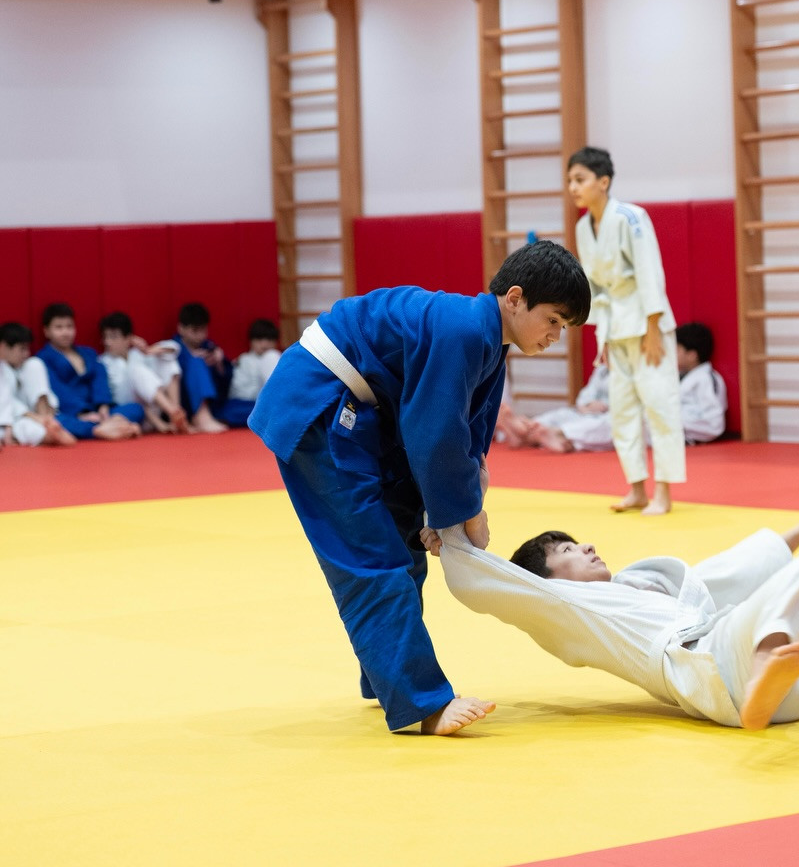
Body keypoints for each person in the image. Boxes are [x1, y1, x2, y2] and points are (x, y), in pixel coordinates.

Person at [249, 239, 591, 737]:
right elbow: (435, 436)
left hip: (365, 412)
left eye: (565, 328)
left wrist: (442, 516)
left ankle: (383, 676)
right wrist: (464, 514)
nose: (557, 336)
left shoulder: (487, 340)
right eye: (554, 320)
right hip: (320, 405)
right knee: (373, 556)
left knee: (406, 542)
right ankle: (423, 704)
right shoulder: (464, 330)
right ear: (515, 298)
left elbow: (467, 435)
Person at [426, 489, 799, 730]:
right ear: (547, 580)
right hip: (714, 668)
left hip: (776, 694)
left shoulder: (655, 585)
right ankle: (765, 665)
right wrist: (446, 531)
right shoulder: (569, 608)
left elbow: (741, 566)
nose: (586, 547)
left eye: (578, 542)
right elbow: (492, 583)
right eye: (567, 550)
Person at [566, 146, 684, 516]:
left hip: (647, 324)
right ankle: (637, 489)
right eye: (570, 180)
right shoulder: (583, 227)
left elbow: (650, 271)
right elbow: (592, 284)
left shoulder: (631, 217)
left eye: (580, 179)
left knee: (660, 406)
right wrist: (587, 322)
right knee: (623, 412)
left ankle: (663, 491)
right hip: (615, 326)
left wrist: (653, 327)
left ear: (603, 182)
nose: (573, 187)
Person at [525, 322, 727, 453]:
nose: (670, 353)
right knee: (573, 414)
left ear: (692, 355)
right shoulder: (674, 376)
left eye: (676, 349)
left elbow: (714, 424)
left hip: (671, 430)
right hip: (651, 422)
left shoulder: (706, 379)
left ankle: (563, 435)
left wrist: (668, 420)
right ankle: (532, 429)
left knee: (617, 425)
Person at [35, 303, 142, 441]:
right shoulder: (42, 359)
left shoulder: (88, 353)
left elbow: (100, 379)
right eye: (59, 327)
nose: (65, 332)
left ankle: (108, 426)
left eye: (69, 326)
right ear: (46, 331)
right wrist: (82, 413)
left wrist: (103, 406)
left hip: (98, 411)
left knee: (135, 408)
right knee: (57, 421)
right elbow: (58, 389)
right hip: (72, 413)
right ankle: (105, 429)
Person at [98, 311, 190, 434]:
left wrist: (148, 351)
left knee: (168, 361)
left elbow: (174, 348)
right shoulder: (102, 361)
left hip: (154, 407)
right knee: (135, 370)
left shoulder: (137, 354)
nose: (108, 342)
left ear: (128, 338)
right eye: (105, 337)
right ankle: (172, 412)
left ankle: (175, 413)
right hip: (132, 412)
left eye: (113, 337)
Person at [0, 322, 76, 447]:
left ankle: (48, 421)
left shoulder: (27, 366)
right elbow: (6, 402)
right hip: (13, 420)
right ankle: (48, 431)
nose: (26, 354)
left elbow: (45, 393)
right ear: (5, 348)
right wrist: (36, 418)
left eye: (27, 349)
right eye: (22, 349)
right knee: (29, 429)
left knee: (34, 363)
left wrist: (46, 416)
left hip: (42, 415)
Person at [173, 302, 231, 433]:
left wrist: (219, 364)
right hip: (185, 405)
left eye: (203, 330)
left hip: (214, 405)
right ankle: (201, 416)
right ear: (181, 328)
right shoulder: (172, 348)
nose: (200, 336)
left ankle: (210, 416)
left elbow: (225, 387)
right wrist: (192, 359)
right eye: (195, 331)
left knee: (253, 411)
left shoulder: (209, 347)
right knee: (196, 362)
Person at [217, 318, 281, 428]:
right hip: (243, 403)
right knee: (229, 411)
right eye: (259, 339)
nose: (264, 344)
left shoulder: (275, 357)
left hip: (267, 404)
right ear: (251, 341)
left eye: (269, 340)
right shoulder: (243, 359)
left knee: (271, 356)